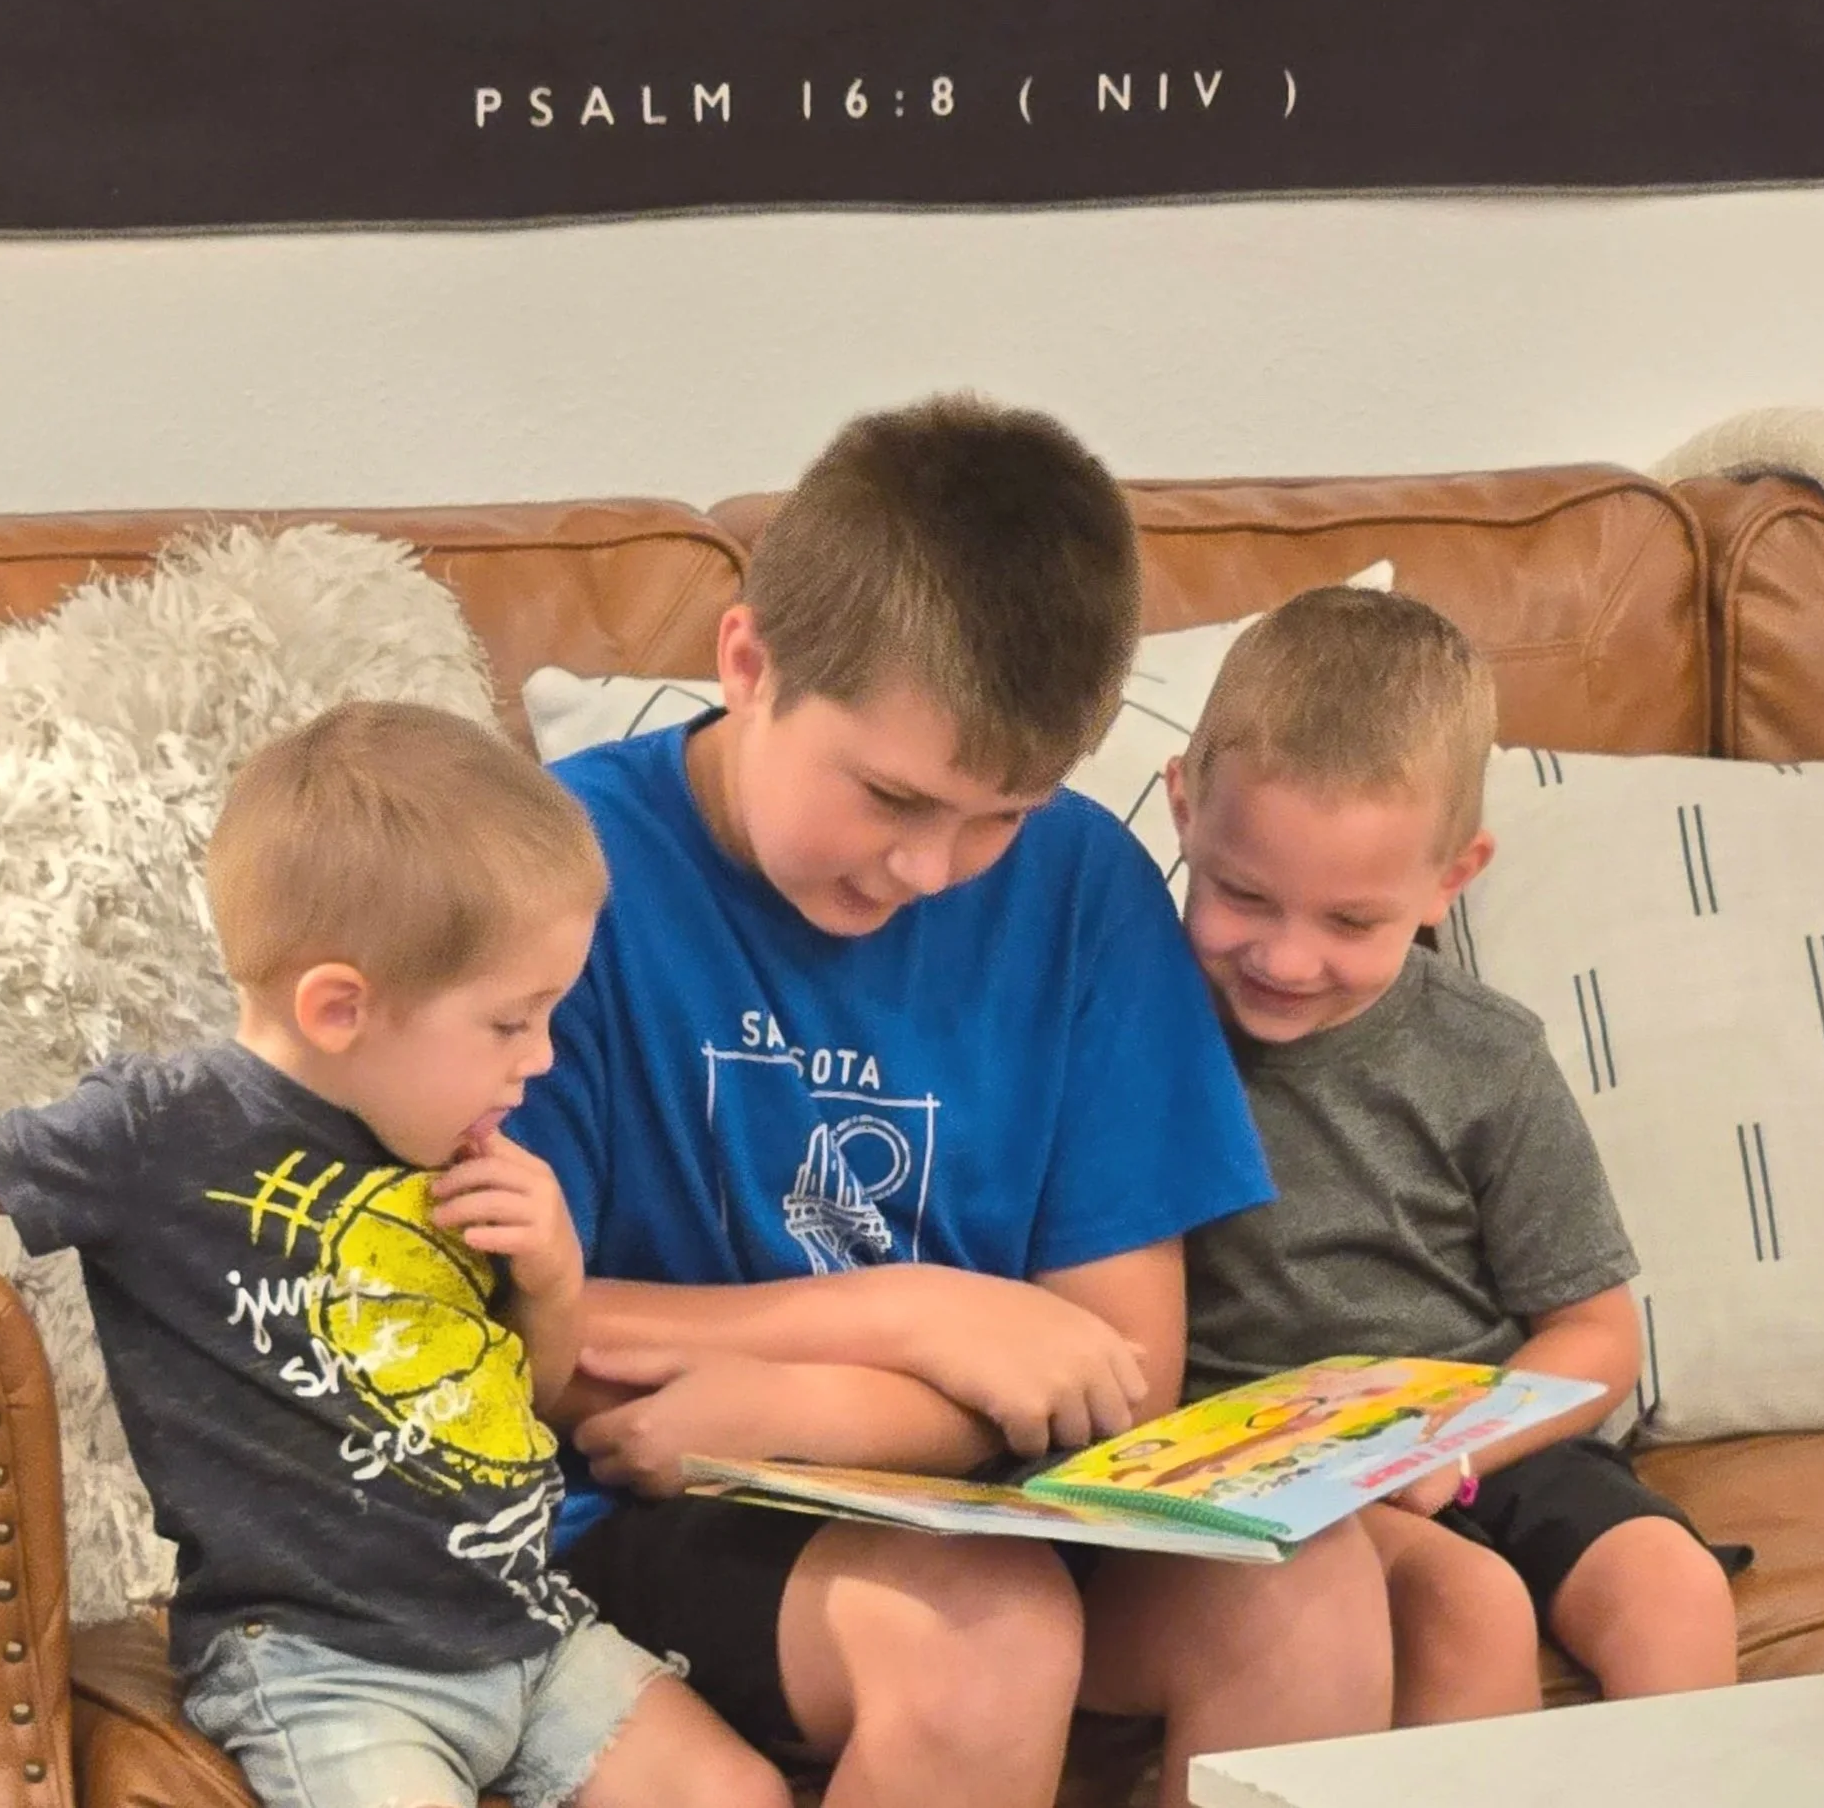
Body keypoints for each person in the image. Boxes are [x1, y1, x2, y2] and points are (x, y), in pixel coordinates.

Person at [508, 395, 1395, 1808]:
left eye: (1001, 811)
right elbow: (521, 1339)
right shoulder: (553, 874)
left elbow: (1117, 1369)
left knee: (1314, 1582)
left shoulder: (1085, 892)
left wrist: (812, 1404)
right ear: (748, 660)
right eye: (887, 796)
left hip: (954, 1475)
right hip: (647, 1503)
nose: (929, 868)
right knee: (982, 1637)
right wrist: (922, 1312)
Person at [0, 701, 791, 1808]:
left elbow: (530, 1399)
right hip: (332, 1667)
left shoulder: (463, 1150)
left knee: (736, 1791)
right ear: (338, 1007)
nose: (542, 1058)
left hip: (533, 1630)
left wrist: (552, 1275)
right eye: (512, 1022)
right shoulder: (161, 1133)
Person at [1163, 586, 1745, 1723]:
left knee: (1673, 1586)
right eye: (1241, 894)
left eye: (1351, 921)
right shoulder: (1124, 1023)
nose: (1285, 957)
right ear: (1184, 806)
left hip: (1481, 1425)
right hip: (1269, 1460)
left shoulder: (1487, 1054)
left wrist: (1456, 1441)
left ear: (1453, 877)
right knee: (1467, 1604)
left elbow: (1597, 1334)